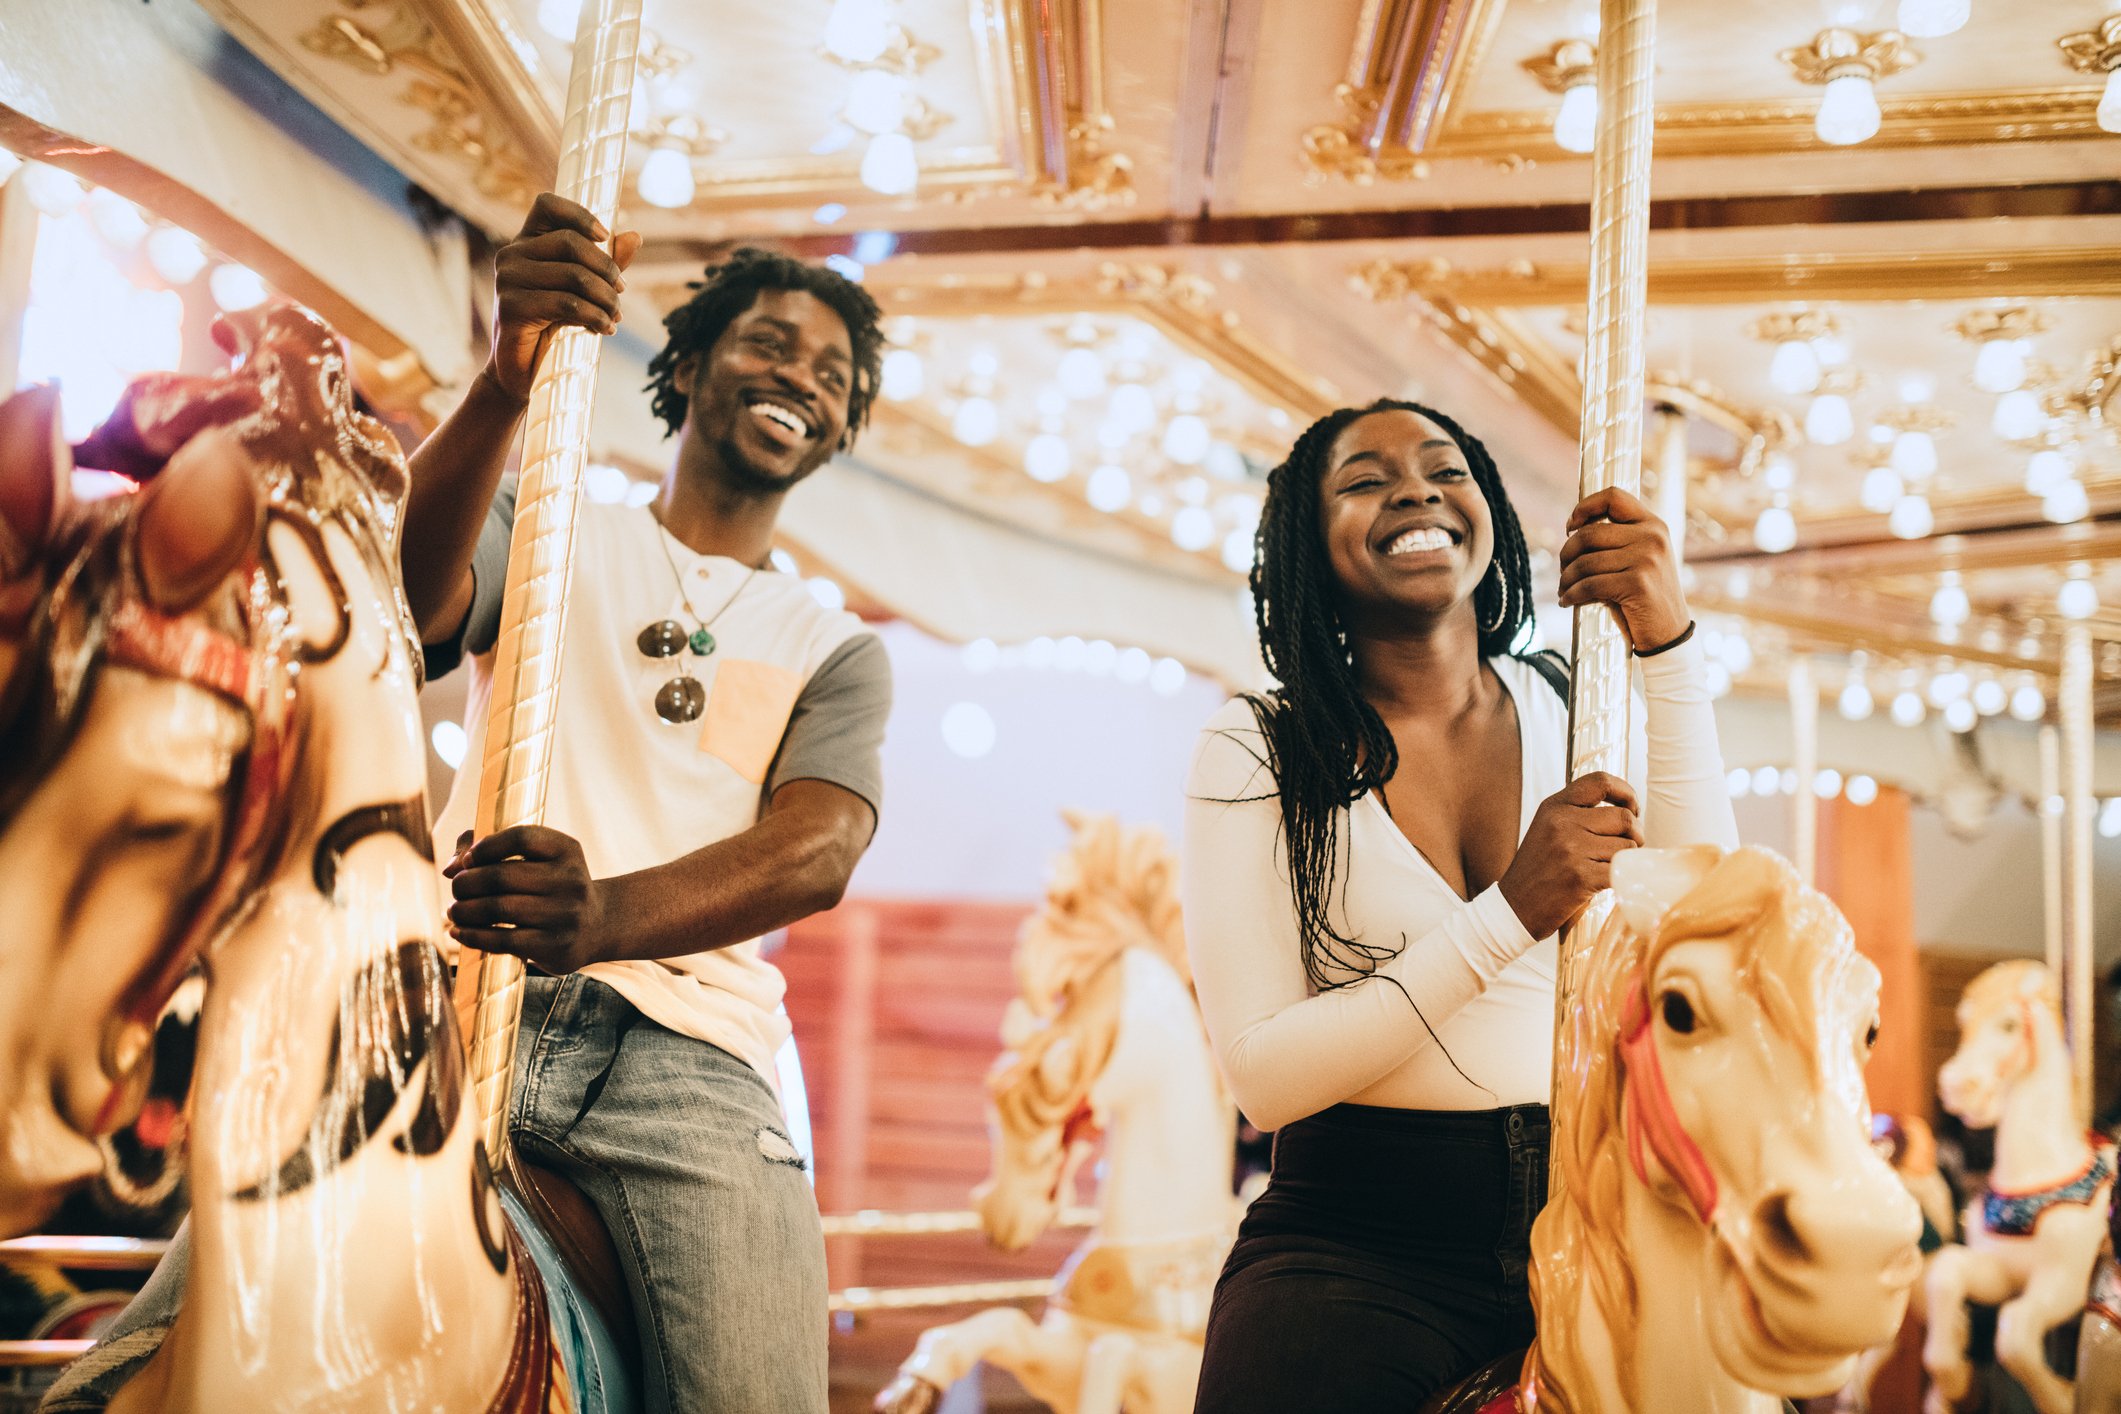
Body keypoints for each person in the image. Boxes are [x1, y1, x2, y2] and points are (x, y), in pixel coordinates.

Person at [48, 193, 891, 1414]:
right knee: (159, 1352)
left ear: (842, 424)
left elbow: (818, 846)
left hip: (686, 1061)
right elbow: (410, 602)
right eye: (769, 341)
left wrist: (603, 913)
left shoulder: (833, 648)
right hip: (442, 1009)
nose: (797, 375)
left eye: (831, 370)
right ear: (693, 361)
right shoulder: (552, 523)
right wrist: (504, 385)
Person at [1181, 399, 1737, 1411]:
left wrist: (1666, 642)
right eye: (1364, 479)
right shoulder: (1260, 745)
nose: (1415, 490)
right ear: (1309, 543)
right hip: (1359, 1240)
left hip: (1592, 1207)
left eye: (1446, 470)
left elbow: (1709, 898)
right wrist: (1509, 912)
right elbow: (1262, 1075)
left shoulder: (1581, 705)